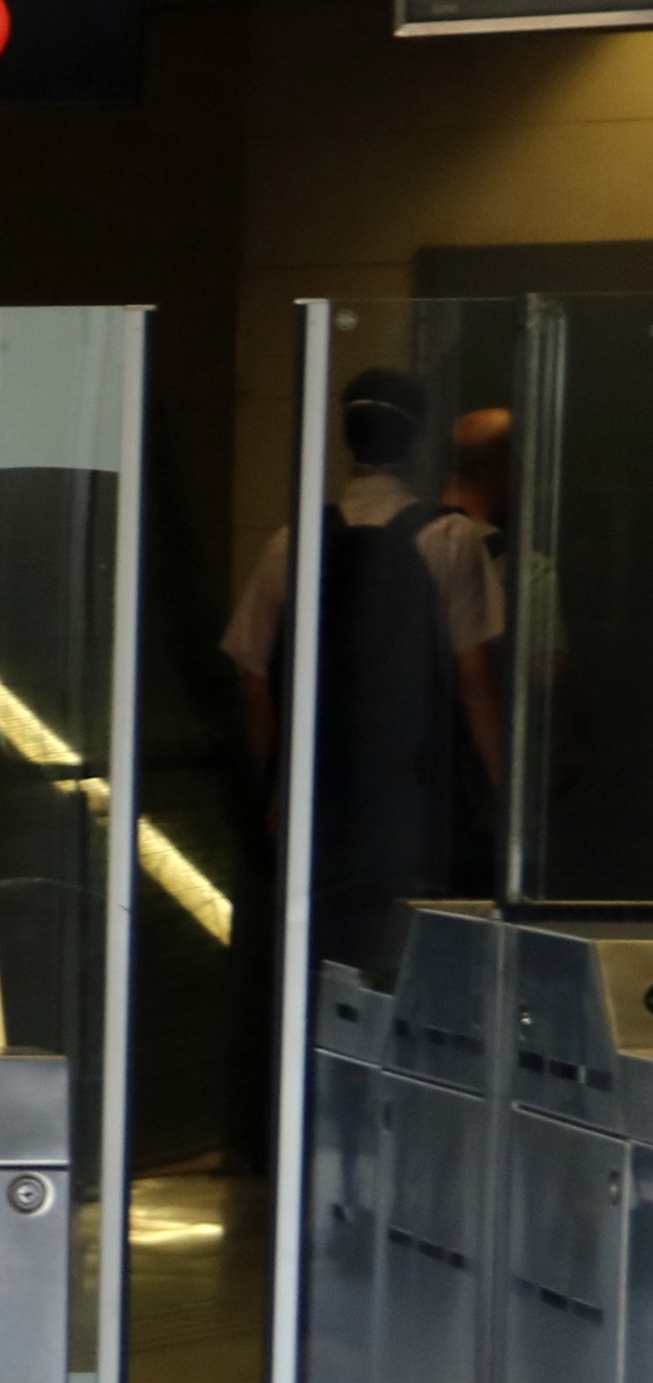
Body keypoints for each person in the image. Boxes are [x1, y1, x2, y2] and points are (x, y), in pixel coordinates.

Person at [225, 365, 505, 958]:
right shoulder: (450, 539)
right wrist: (502, 793)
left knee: (322, 954)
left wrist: (276, 787)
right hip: (416, 802)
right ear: (421, 443)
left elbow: (254, 679)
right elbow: (473, 676)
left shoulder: (292, 541)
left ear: (347, 441)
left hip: (322, 801)